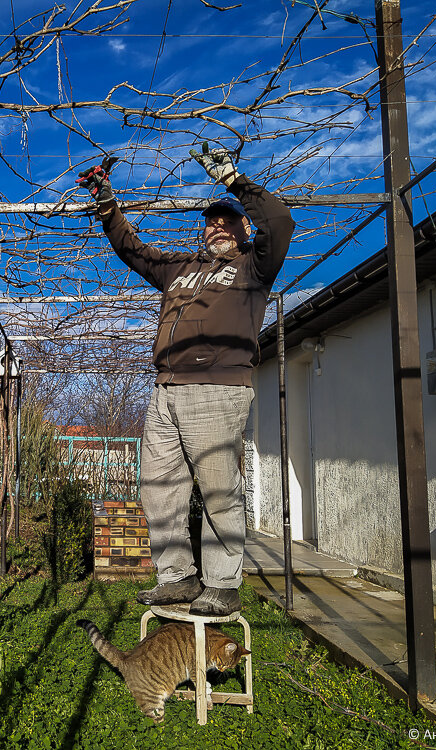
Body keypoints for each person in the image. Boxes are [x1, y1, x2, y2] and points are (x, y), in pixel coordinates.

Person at [76, 145, 294, 616]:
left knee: (217, 488)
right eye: (212, 221)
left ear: (242, 231)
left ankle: (222, 584)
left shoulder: (254, 267)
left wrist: (235, 182)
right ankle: (176, 577)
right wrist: (106, 204)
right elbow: (132, 251)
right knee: (159, 486)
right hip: (165, 390)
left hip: (217, 389)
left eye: (227, 221)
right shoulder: (180, 269)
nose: (218, 226)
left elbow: (279, 223)